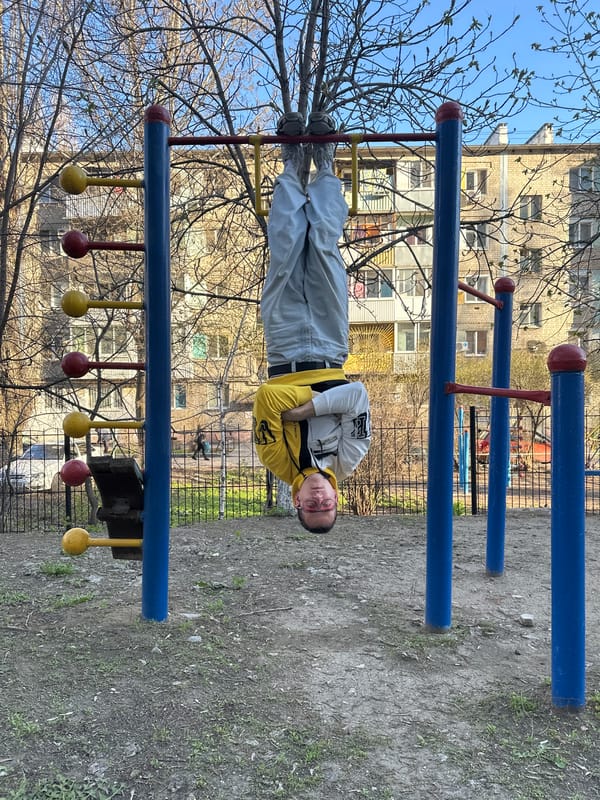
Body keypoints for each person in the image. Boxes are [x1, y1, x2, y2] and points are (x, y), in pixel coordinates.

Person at [253, 111, 371, 533]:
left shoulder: (277, 459)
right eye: (327, 506)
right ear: (337, 498)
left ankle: (290, 161)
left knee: (284, 247)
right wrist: (302, 411)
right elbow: (357, 395)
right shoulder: (350, 456)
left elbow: (266, 397)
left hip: (282, 346)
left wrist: (320, 401)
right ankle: (324, 159)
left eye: (312, 506)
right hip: (329, 341)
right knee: (322, 245)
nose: (319, 499)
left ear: (297, 502)